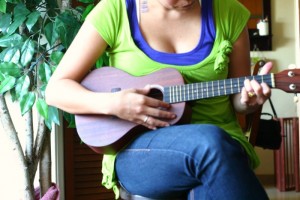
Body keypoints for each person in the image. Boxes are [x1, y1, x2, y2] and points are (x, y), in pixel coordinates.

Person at [45, 0, 272, 199]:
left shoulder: (230, 12)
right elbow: (55, 90)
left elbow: (238, 103)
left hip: (223, 143)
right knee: (209, 143)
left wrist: (249, 100)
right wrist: (115, 104)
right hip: (140, 150)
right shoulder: (115, 10)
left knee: (212, 162)